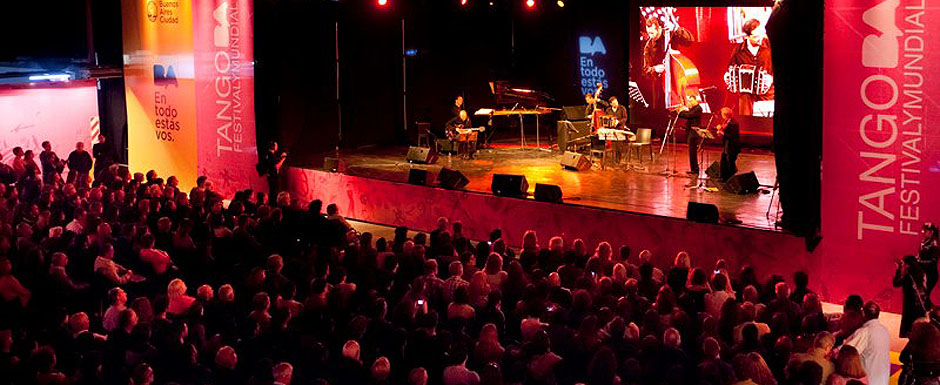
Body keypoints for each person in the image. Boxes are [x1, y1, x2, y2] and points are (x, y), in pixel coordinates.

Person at [642, 15, 695, 113]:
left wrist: (676, 28)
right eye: (648, 33)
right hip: (660, 89)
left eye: (652, 33)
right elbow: (645, 69)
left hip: (677, 82)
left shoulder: (670, 34)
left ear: (659, 28)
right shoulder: (648, 47)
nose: (650, 36)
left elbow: (690, 40)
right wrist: (654, 69)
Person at [727, 18, 774, 116]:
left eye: (761, 34)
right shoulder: (738, 51)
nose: (760, 38)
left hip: (769, 93)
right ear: (747, 36)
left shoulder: (770, 46)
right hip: (747, 95)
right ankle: (746, 124)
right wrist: (728, 78)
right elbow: (730, 70)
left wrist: (771, 78)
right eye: (756, 36)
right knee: (744, 98)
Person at [842, 302, 890, 385]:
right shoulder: (885, 330)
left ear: (863, 313)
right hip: (882, 380)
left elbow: (847, 352)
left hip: (868, 381)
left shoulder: (865, 332)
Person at [895, 255, 932, 337]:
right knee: (919, 330)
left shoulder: (908, 276)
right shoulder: (922, 273)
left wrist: (898, 269)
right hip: (921, 306)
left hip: (910, 307)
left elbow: (896, 283)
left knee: (910, 330)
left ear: (908, 265)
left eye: (903, 263)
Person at [677, 94, 704, 177]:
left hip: (694, 132)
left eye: (691, 100)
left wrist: (681, 112)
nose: (690, 102)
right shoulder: (693, 108)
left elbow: (689, 115)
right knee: (691, 152)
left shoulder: (698, 108)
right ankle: (693, 169)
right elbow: (688, 114)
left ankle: (695, 170)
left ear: (695, 100)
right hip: (691, 132)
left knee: (692, 152)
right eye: (689, 101)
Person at [716, 107, 742, 180]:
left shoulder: (733, 123)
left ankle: (730, 178)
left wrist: (722, 133)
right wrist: (720, 129)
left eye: (722, 114)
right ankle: (723, 177)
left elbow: (732, 136)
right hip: (727, 145)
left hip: (732, 146)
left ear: (725, 115)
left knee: (730, 162)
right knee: (723, 161)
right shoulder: (727, 121)